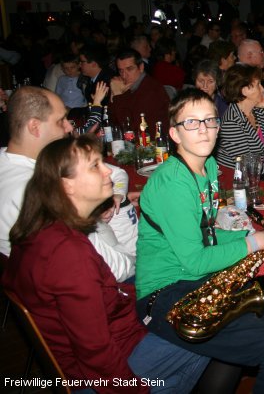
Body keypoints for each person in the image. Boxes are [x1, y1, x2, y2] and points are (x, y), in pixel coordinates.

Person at [135, 88, 264, 394]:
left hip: (201, 283)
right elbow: (195, 260)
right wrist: (256, 242)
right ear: (175, 134)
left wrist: (250, 234)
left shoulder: (207, 166)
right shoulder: (172, 182)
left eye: (210, 120)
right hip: (166, 295)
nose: (204, 129)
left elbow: (205, 231)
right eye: (192, 122)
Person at [2, 135, 209, 393]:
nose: (107, 171)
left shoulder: (44, 226)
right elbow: (95, 353)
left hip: (115, 338)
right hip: (111, 363)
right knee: (212, 328)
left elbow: (107, 296)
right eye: (95, 166)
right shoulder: (67, 254)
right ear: (66, 185)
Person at [0, 86, 138, 281]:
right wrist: (141, 261)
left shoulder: (10, 163)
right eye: (60, 121)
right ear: (34, 127)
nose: (69, 128)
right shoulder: (40, 190)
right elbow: (111, 268)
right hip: (100, 281)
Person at [108, 48, 171, 134]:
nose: (124, 75)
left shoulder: (151, 90)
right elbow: (112, 121)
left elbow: (131, 128)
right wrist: (113, 94)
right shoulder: (126, 86)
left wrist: (118, 96)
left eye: (129, 69)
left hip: (153, 140)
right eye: (121, 70)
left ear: (141, 67)